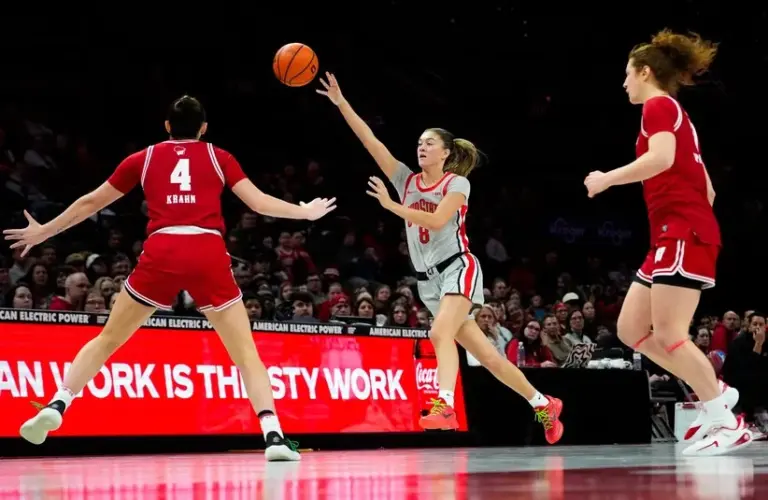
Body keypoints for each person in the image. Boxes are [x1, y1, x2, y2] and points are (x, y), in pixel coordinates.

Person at [4, 96, 337, 461]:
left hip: (162, 247)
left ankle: (58, 402)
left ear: (166, 126)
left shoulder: (143, 158)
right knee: (245, 355)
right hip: (206, 249)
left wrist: (45, 231)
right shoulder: (218, 156)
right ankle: (273, 436)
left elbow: (91, 202)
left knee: (108, 339)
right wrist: (303, 213)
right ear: (204, 128)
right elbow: (258, 203)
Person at [317, 73, 563, 444]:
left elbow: (435, 219)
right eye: (419, 143)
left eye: (429, 143)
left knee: (437, 333)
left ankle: (444, 403)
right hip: (428, 282)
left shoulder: (456, 184)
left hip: (458, 268)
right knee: (491, 358)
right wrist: (340, 102)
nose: (421, 147)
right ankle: (543, 402)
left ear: (446, 152)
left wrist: (391, 206)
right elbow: (370, 141)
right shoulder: (406, 179)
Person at [584, 30, 751, 456]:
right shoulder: (679, 116)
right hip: (675, 233)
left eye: (627, 74)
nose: (624, 83)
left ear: (644, 71)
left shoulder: (658, 105)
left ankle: (725, 421)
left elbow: (660, 159)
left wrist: (606, 179)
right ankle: (715, 390)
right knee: (630, 329)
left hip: (682, 233)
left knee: (672, 334)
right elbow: (708, 191)